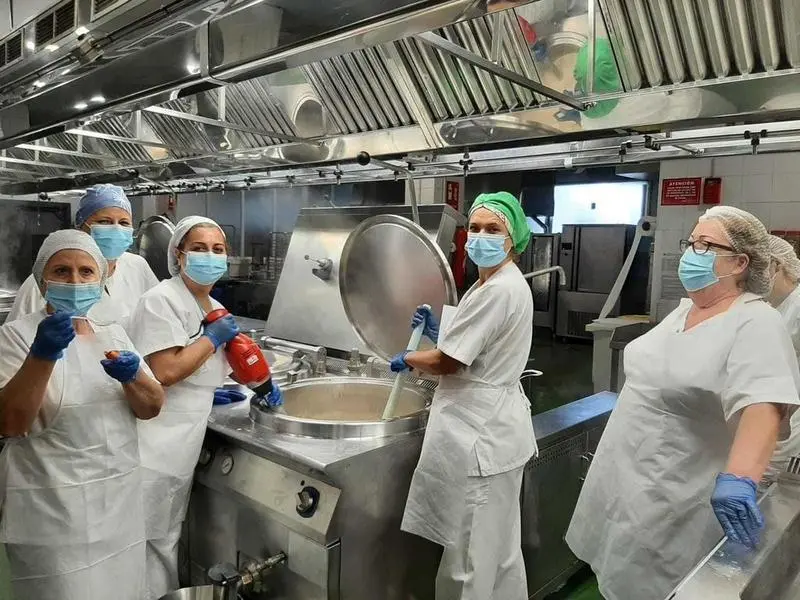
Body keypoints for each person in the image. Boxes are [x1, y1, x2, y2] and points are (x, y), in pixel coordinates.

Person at [565, 206, 800, 600]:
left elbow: (765, 404)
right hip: (626, 481)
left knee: (657, 585)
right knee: (617, 576)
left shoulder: (755, 321)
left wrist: (740, 477)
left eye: (705, 245)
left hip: (677, 494)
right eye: (691, 243)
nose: (692, 253)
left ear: (740, 262)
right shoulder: (684, 311)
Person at [0, 230, 164, 599]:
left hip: (117, 508)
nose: (75, 281)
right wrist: (41, 356)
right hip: (52, 517)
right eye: (62, 271)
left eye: (86, 272)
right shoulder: (15, 337)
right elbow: (9, 422)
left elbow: (152, 406)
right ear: (42, 281)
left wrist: (134, 378)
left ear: (100, 280)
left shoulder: (114, 336)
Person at [390, 191, 537, 600]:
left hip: (481, 438)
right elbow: (478, 345)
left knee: (468, 562)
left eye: (493, 229)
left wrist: (409, 358)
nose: (480, 236)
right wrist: (442, 334)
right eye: (474, 227)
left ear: (513, 239)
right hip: (493, 430)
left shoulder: (500, 289)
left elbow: (449, 363)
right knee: (499, 554)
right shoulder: (491, 283)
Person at [128, 216, 282, 600]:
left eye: (217, 250)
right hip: (153, 443)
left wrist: (259, 385)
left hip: (183, 438)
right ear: (179, 255)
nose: (209, 256)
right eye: (199, 248)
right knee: (146, 542)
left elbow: (225, 365)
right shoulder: (160, 300)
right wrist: (213, 339)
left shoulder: (214, 306)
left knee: (166, 536)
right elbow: (165, 371)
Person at [8, 184, 159, 331]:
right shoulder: (43, 283)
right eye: (104, 222)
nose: (116, 229)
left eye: (124, 223)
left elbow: (158, 315)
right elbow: (15, 337)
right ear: (80, 226)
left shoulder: (137, 266)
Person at [766, 234, 800, 468]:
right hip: (777, 414)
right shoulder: (773, 307)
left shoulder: (797, 307)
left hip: (793, 421)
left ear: (777, 266)